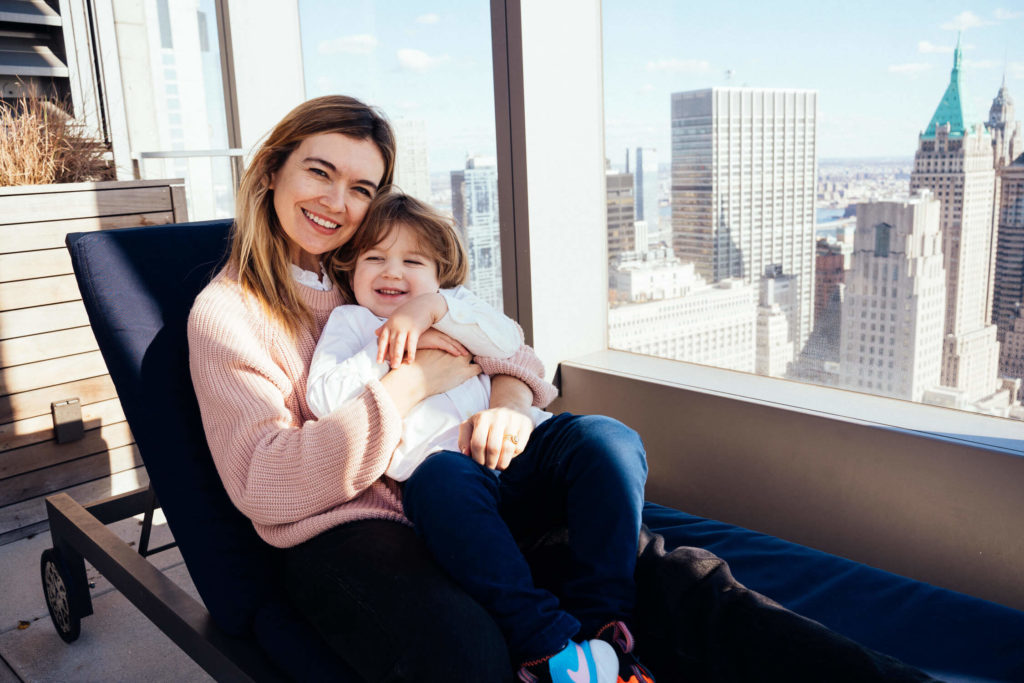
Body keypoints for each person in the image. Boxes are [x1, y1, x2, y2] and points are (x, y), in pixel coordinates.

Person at [187, 94, 940, 683]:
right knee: (469, 652)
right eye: (319, 172)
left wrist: (511, 404)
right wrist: (424, 377)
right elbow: (269, 484)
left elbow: (516, 358)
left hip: (480, 484)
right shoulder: (228, 316)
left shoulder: (377, 274)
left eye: (362, 186)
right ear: (271, 169)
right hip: (355, 529)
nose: (338, 203)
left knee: (681, 585)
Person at [304, 190, 657, 683]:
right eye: (374, 258)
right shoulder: (350, 323)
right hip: (454, 474)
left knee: (608, 438)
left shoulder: (457, 306)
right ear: (350, 268)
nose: (392, 272)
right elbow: (323, 398)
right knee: (438, 481)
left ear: (439, 274)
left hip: (525, 450)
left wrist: (431, 311)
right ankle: (548, 648)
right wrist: (398, 347)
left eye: (412, 260)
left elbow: (509, 343)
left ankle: (606, 626)